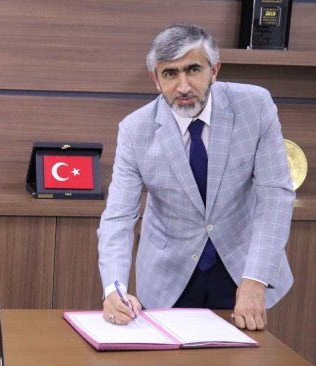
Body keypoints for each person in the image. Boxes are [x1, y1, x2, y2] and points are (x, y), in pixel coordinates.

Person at [98, 24, 295, 331]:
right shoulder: (135, 130)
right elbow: (118, 217)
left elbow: (275, 196)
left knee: (245, 360)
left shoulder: (255, 106)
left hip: (242, 266)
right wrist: (114, 288)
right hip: (169, 275)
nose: (183, 86)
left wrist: (256, 278)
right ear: (155, 79)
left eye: (193, 70)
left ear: (214, 70)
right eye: (170, 74)